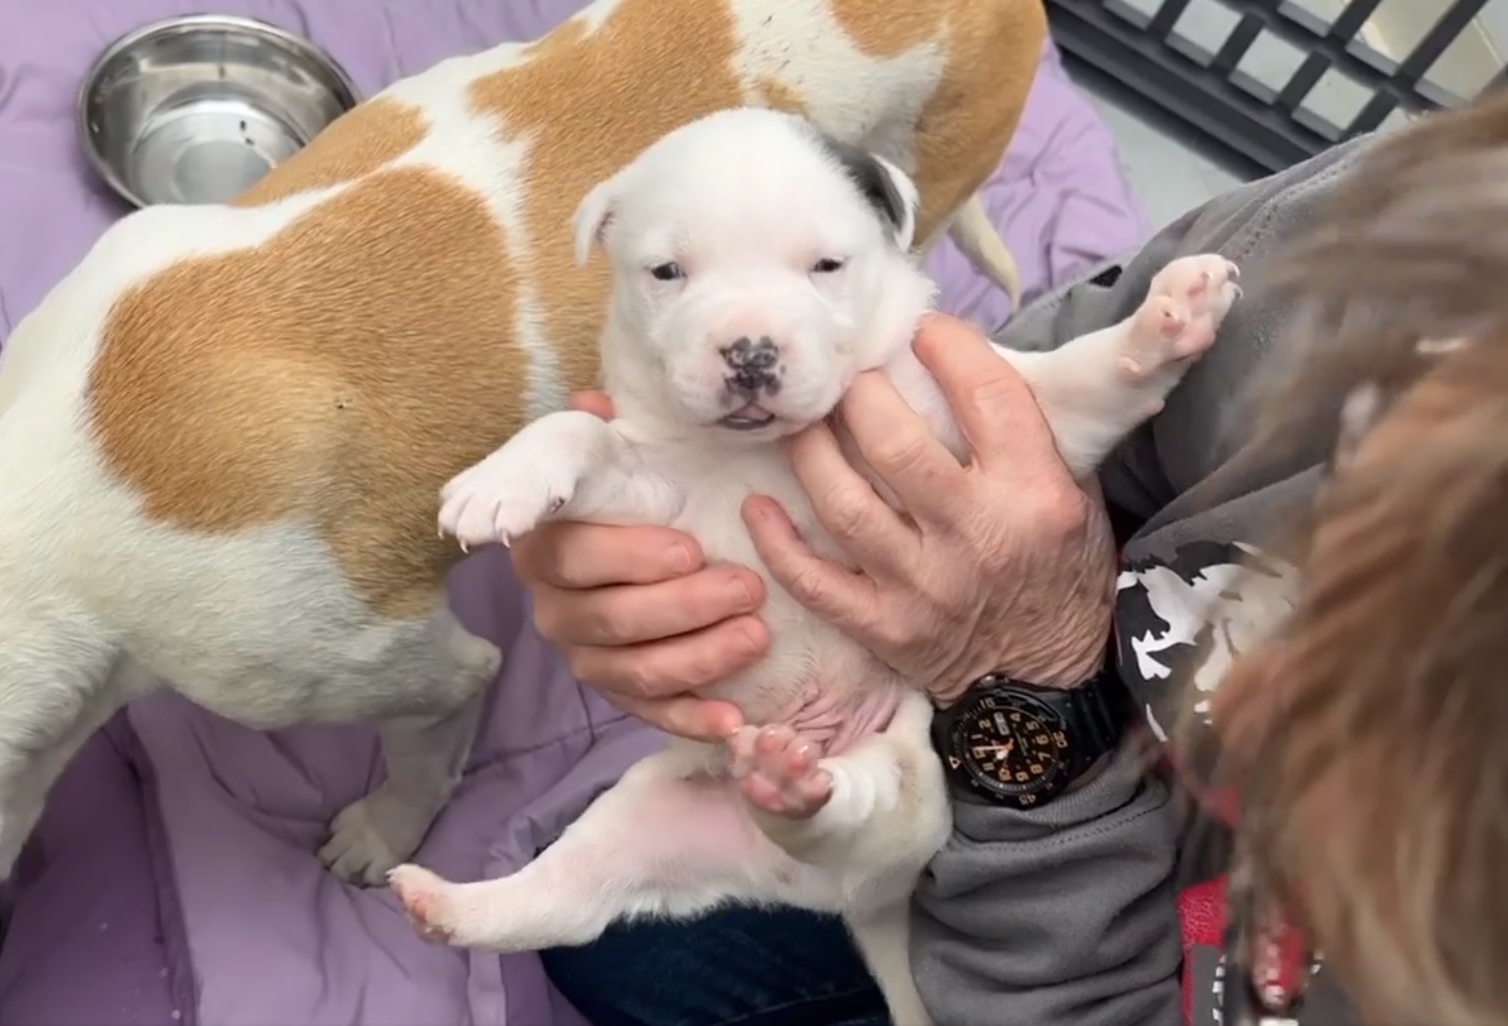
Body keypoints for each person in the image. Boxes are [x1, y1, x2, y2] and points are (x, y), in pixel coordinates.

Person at [524, 91, 1508, 1026]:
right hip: (1026, 802)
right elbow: (1027, 373)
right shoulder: (1410, 220)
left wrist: (1027, 694)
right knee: (617, 960)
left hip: (1132, 937)